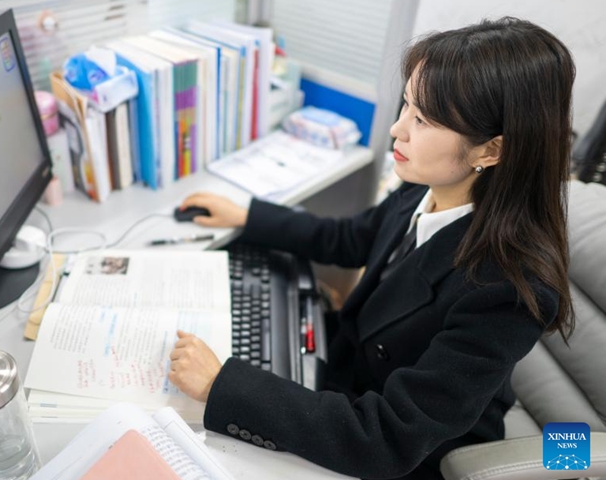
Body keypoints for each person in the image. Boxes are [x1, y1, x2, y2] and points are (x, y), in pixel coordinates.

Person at [168, 17, 575, 480]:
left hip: (408, 452)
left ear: (489, 151)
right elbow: (352, 238)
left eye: (421, 120)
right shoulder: (426, 186)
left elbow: (387, 439)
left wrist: (224, 386)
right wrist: (247, 216)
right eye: (407, 105)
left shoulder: (507, 288)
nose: (398, 131)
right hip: (347, 389)